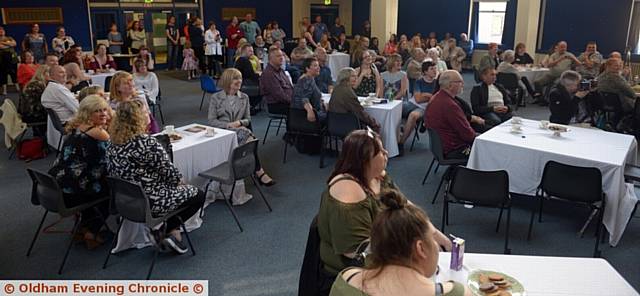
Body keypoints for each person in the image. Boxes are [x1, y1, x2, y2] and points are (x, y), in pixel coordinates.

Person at [317, 130, 452, 293]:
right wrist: (411, 268)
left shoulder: (377, 176)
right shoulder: (348, 192)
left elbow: (404, 206)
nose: (386, 153)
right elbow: (355, 254)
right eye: (380, 151)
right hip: (353, 276)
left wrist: (435, 234)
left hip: (380, 259)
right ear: (366, 160)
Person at [330, 189, 471, 296]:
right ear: (420, 248)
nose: (436, 246)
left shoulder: (346, 279)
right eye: (432, 239)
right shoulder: (457, 293)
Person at [108, 100, 205, 254]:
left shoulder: (112, 142)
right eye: (146, 112)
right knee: (198, 195)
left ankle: (167, 230)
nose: (149, 115)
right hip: (150, 202)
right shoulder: (147, 143)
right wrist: (181, 182)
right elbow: (170, 173)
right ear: (138, 119)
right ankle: (166, 229)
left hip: (126, 201)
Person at [48, 95, 111, 249]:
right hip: (75, 192)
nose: (103, 113)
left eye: (104, 109)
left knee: (95, 183)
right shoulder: (98, 133)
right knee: (113, 191)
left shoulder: (78, 128)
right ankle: (91, 231)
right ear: (87, 113)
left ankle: (82, 227)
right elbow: (111, 159)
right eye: (97, 111)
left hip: (59, 187)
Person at [208, 68, 275, 186]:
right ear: (228, 81)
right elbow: (212, 121)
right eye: (235, 79)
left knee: (247, 136)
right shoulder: (216, 97)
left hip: (239, 129)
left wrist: (239, 122)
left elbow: (248, 119)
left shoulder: (244, 97)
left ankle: (257, 170)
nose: (239, 81)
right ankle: (259, 171)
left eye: (240, 78)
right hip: (223, 131)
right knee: (249, 137)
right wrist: (228, 125)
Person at [425, 70, 476, 159]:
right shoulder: (449, 105)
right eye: (460, 82)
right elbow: (468, 135)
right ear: (450, 85)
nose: (463, 84)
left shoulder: (437, 97)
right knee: (489, 150)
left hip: (440, 147)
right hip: (454, 148)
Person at [328, 67, 380, 132]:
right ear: (345, 78)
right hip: (346, 125)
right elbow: (360, 112)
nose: (356, 78)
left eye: (356, 76)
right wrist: (374, 123)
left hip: (333, 124)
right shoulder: (348, 92)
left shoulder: (336, 88)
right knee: (375, 126)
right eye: (353, 76)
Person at [399, 61, 437, 148]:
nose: (434, 71)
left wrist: (425, 94)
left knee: (413, 115)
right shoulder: (419, 82)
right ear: (425, 72)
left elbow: (436, 99)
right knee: (395, 108)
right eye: (432, 69)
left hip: (425, 108)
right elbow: (418, 99)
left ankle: (401, 143)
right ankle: (395, 135)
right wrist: (430, 96)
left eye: (435, 69)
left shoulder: (437, 83)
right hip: (412, 103)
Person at [260, 48, 294, 115]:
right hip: (276, 105)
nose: (281, 58)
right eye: (278, 56)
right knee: (301, 110)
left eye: (282, 55)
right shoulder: (268, 74)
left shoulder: (281, 71)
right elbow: (279, 95)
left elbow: (290, 87)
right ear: (270, 59)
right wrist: (294, 101)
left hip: (287, 101)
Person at [292, 57, 326, 123]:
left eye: (318, 65)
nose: (318, 68)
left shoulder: (309, 78)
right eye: (315, 65)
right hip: (307, 117)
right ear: (307, 69)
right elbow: (304, 98)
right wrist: (310, 110)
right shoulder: (306, 80)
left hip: (310, 113)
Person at [19, 65, 49, 129]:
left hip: (26, 113)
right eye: (49, 73)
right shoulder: (38, 85)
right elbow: (44, 103)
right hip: (31, 115)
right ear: (43, 73)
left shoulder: (34, 82)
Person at [0, 26, 18, 95]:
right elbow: (0, 47)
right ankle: (4, 90)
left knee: (14, 74)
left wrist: (4, 43)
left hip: (12, 59)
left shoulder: (9, 38)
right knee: (3, 75)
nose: (1, 31)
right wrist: (9, 45)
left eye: (2, 30)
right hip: (2, 59)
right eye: (0, 31)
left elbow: (14, 44)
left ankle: (17, 88)